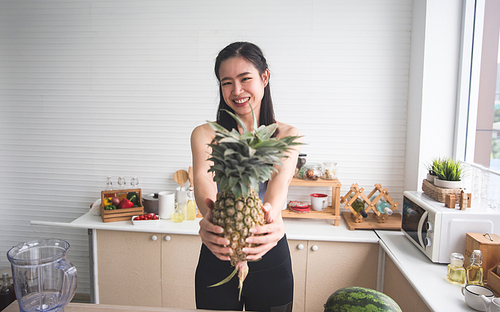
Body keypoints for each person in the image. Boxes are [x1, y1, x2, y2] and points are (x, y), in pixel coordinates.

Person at [190, 42, 302, 312]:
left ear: (264, 77)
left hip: (270, 247)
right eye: (226, 82)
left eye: (245, 79)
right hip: (219, 249)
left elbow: (276, 195)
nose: (236, 91)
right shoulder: (205, 135)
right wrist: (208, 218)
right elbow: (205, 190)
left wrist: (270, 216)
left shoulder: (287, 136)